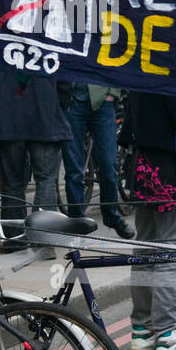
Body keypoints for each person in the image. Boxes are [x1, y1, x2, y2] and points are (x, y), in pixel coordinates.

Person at [120, 91, 176, 350]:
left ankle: (143, 330)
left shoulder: (144, 52)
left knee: (146, 246)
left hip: (143, 156)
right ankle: (169, 334)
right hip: (173, 157)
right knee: (172, 248)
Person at [0, 67, 71, 243]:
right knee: (46, 180)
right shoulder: (50, 39)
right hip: (45, 115)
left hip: (9, 117)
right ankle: (43, 239)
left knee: (12, 184)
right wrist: (56, 107)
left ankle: (14, 239)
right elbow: (65, 81)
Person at [61, 84, 134, 239]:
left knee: (109, 165)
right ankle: (77, 221)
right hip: (72, 100)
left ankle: (111, 216)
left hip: (103, 101)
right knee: (74, 170)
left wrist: (113, 93)